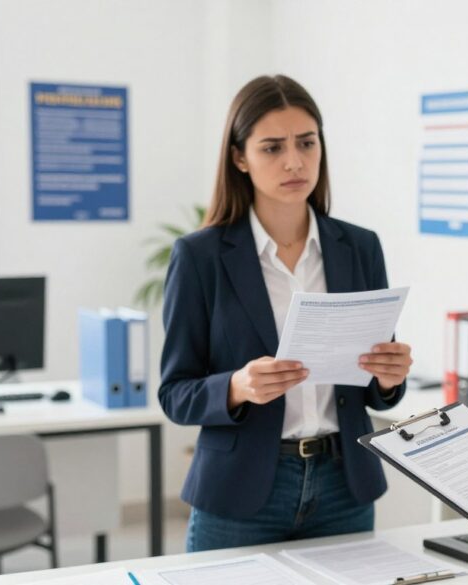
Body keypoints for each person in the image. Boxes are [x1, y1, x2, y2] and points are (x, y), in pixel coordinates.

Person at [159, 75, 413, 551]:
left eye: (306, 143)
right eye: (272, 148)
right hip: (241, 491)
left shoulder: (359, 247)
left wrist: (389, 378)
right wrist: (237, 387)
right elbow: (175, 394)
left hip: (344, 486)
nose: (295, 161)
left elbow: (378, 394)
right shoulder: (200, 257)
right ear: (240, 158)